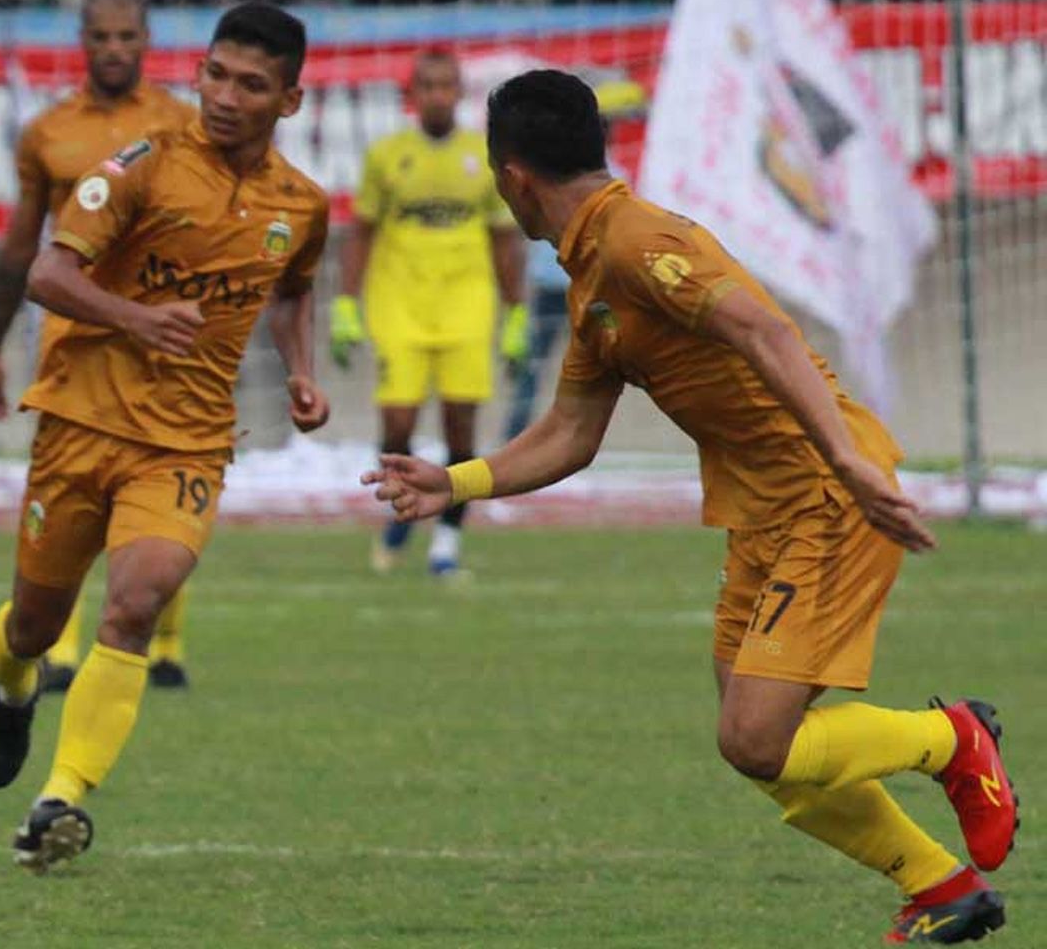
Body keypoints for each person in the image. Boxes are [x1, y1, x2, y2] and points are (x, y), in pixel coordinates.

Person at [366, 70, 1015, 945]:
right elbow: (568, 432)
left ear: (511, 175)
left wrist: (848, 461)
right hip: (765, 511)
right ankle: (939, 885)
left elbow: (766, 331)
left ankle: (951, 738)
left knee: (755, 739)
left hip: (824, 495)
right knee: (759, 746)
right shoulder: (594, 269)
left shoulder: (640, 241)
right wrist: (460, 482)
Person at [0, 2, 331, 873]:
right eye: (215, 74)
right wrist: (137, 317)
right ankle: (13, 689)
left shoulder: (302, 203)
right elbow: (50, 275)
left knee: (137, 601)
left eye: (251, 84)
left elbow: (290, 290)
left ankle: (59, 800)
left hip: (188, 441)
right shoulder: (139, 167)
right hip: (79, 424)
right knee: (34, 623)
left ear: (289, 100)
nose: (225, 97)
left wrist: (300, 369)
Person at [0, 0, 200, 694]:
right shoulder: (48, 131)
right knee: (68, 484)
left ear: (147, 41)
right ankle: (62, 647)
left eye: (126, 36)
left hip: (155, 332)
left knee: (158, 475)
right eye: (101, 37)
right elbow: (19, 251)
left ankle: (166, 645)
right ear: (82, 43)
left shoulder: (181, 123)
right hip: (70, 335)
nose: (113, 49)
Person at [331, 48, 526, 577]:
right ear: (412, 95)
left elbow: (505, 240)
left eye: (447, 86)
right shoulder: (387, 156)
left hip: (467, 305)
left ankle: (447, 542)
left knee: (461, 433)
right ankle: (400, 512)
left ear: (460, 93)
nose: (437, 96)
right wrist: (346, 303)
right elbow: (362, 232)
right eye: (428, 87)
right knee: (397, 424)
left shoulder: (482, 158)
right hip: (399, 305)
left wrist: (516, 315)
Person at [499, 235, 571, 441]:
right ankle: (514, 435)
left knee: (535, 367)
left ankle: (514, 435)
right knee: (533, 366)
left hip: (575, 281)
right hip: (552, 286)